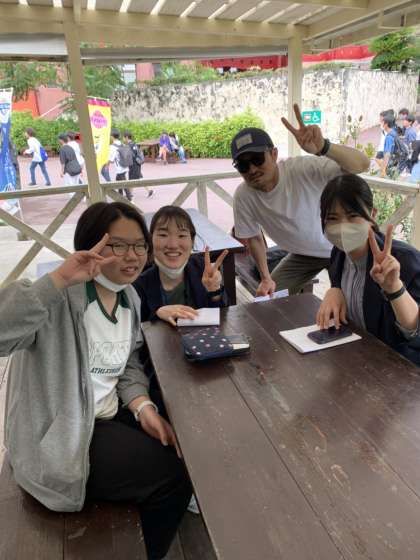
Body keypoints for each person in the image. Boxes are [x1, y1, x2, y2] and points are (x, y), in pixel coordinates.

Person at [0, 201, 192, 560]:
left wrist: (143, 407)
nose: (132, 256)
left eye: (139, 245)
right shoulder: (59, 299)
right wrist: (58, 279)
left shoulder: (129, 297)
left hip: (107, 414)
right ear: (92, 247)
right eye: (117, 245)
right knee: (175, 480)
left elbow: (128, 363)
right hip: (64, 433)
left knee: (186, 444)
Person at [232, 103, 370, 296]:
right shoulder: (243, 196)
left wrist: (324, 147)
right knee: (271, 298)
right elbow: (254, 237)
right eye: (243, 165)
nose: (252, 169)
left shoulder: (302, 169)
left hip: (342, 247)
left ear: (274, 154)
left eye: (257, 159)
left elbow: (362, 164)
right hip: (303, 255)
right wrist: (265, 278)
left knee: (352, 301)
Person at [316, 174, 420, 366]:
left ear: (372, 215)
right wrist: (334, 289)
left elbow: (415, 334)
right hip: (357, 356)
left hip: (398, 367)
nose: (343, 226)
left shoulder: (405, 261)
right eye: (332, 218)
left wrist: (394, 288)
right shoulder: (338, 253)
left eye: (352, 216)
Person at [133, 205, 228, 325]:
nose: (173, 245)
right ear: (150, 240)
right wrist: (157, 314)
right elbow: (133, 328)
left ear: (192, 241)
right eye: (163, 235)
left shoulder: (202, 269)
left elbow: (222, 319)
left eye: (182, 235)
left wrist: (214, 291)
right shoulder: (137, 285)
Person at [123, 130, 153, 198]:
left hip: (133, 165)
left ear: (127, 137)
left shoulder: (129, 146)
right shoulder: (134, 144)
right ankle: (149, 191)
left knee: (132, 180)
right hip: (137, 163)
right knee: (139, 178)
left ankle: (129, 195)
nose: (123, 139)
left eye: (124, 137)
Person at [109, 129, 133, 202]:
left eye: (110, 136)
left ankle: (130, 200)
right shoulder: (121, 143)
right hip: (125, 166)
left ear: (112, 137)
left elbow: (111, 159)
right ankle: (120, 197)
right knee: (118, 181)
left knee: (124, 184)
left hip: (120, 168)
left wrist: (106, 164)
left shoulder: (112, 146)